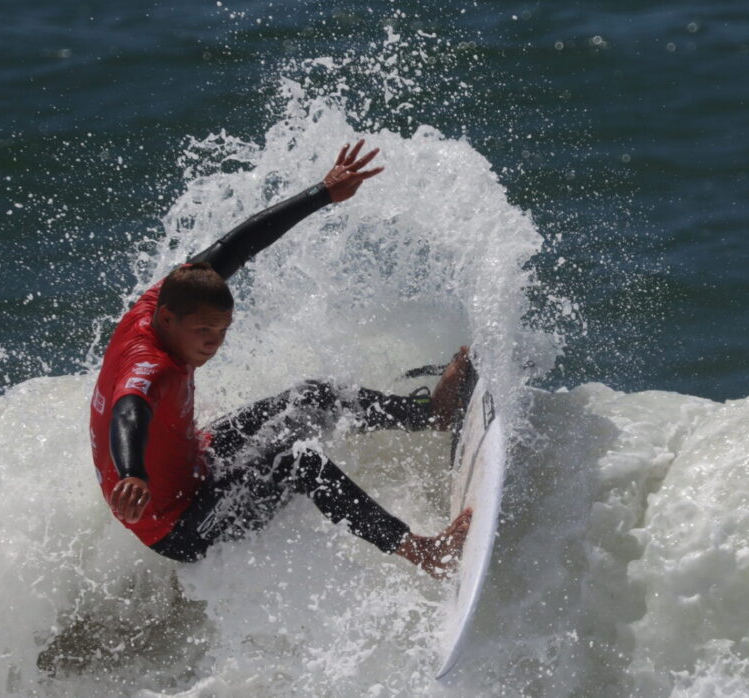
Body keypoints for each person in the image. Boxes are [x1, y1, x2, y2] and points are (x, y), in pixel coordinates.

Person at [89, 140, 472, 578]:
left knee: (315, 396)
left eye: (221, 331)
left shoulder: (162, 301)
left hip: (193, 460)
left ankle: (428, 414)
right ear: (168, 320)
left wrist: (323, 192)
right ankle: (423, 552)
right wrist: (133, 472)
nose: (214, 344)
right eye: (203, 332)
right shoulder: (148, 367)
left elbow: (236, 246)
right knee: (297, 462)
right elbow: (128, 412)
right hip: (178, 524)